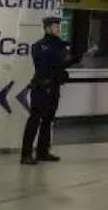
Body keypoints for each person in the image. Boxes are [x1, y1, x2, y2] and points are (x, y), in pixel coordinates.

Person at [22, 16, 73, 165]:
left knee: (48, 121)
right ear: (47, 28)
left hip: (54, 87)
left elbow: (65, 62)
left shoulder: (59, 46)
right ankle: (26, 154)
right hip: (41, 87)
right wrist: (61, 53)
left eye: (58, 26)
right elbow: (46, 62)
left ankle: (42, 151)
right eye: (55, 26)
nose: (58, 29)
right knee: (34, 120)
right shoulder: (40, 46)